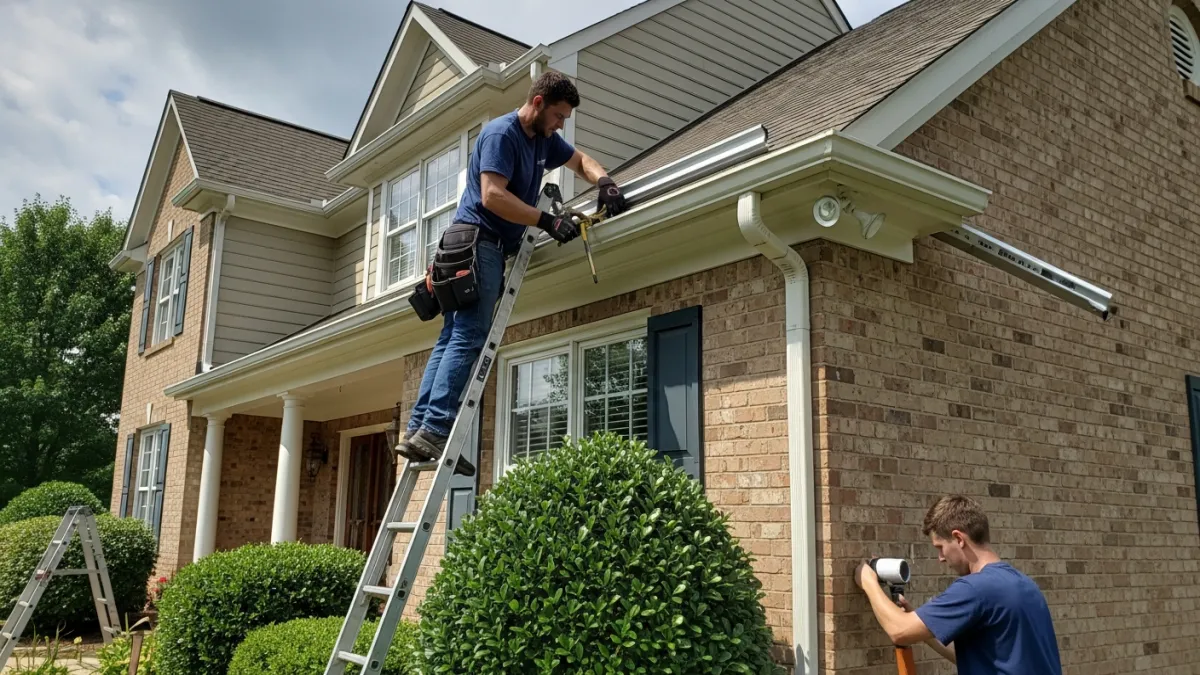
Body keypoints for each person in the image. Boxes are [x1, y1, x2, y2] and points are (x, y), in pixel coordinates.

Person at [396, 70, 628, 463]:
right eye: (558, 116)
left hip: (464, 245)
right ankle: (435, 428)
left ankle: (420, 429)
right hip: (476, 244)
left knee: (451, 337)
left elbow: (580, 159)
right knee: (469, 336)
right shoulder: (502, 135)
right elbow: (492, 196)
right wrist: (547, 221)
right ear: (538, 103)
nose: (560, 125)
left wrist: (606, 181)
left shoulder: (544, 141)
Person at [855, 494, 1063, 675]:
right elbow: (980, 658)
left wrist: (868, 580)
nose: (941, 558)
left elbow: (899, 630)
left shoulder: (976, 588)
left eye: (940, 547)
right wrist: (925, 628)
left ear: (958, 538)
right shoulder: (1025, 585)